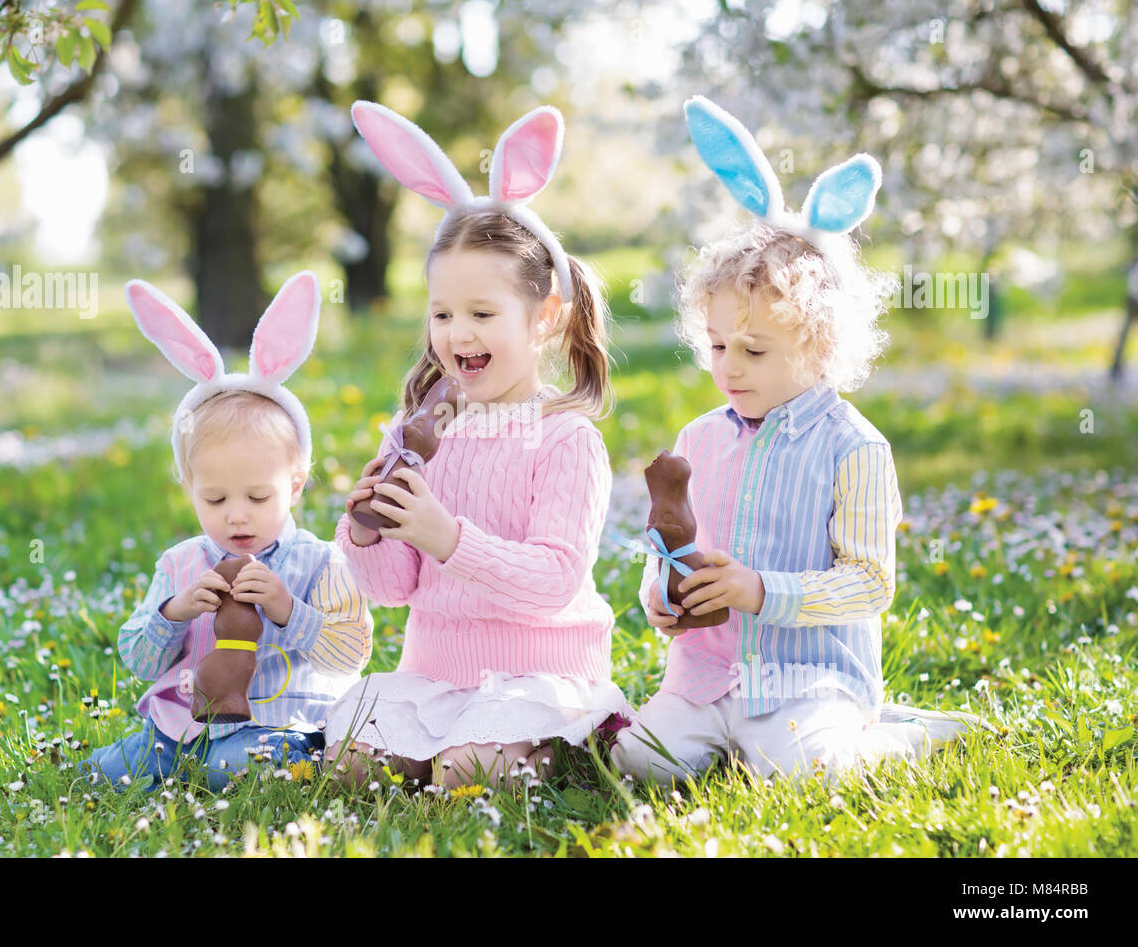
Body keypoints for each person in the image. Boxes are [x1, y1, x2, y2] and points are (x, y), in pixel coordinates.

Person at [612, 97, 986, 786]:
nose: (727, 367)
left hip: (805, 678)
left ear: (821, 345)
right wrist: (656, 596)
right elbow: (669, 547)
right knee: (636, 763)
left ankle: (895, 736)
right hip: (706, 675)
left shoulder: (855, 447)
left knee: (811, 772)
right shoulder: (698, 437)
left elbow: (871, 583)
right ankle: (728, 742)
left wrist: (762, 591)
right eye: (719, 344)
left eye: (753, 350)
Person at [324, 101, 628, 789]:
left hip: (536, 674)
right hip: (434, 673)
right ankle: (452, 746)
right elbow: (393, 590)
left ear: (545, 317)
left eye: (482, 314)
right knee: (349, 768)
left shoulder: (565, 440)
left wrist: (447, 536)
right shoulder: (418, 434)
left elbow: (554, 582)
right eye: (442, 314)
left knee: (465, 776)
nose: (458, 335)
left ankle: (560, 747)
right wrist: (368, 533)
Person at [80, 272, 372, 793]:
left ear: (296, 485)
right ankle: (170, 760)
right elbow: (138, 659)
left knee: (234, 768)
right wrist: (175, 611)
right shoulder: (181, 564)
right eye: (215, 499)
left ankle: (268, 765)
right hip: (183, 725)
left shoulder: (321, 562)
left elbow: (353, 652)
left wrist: (288, 610)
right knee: (106, 774)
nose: (237, 516)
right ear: (188, 487)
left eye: (258, 498)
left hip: (280, 721)